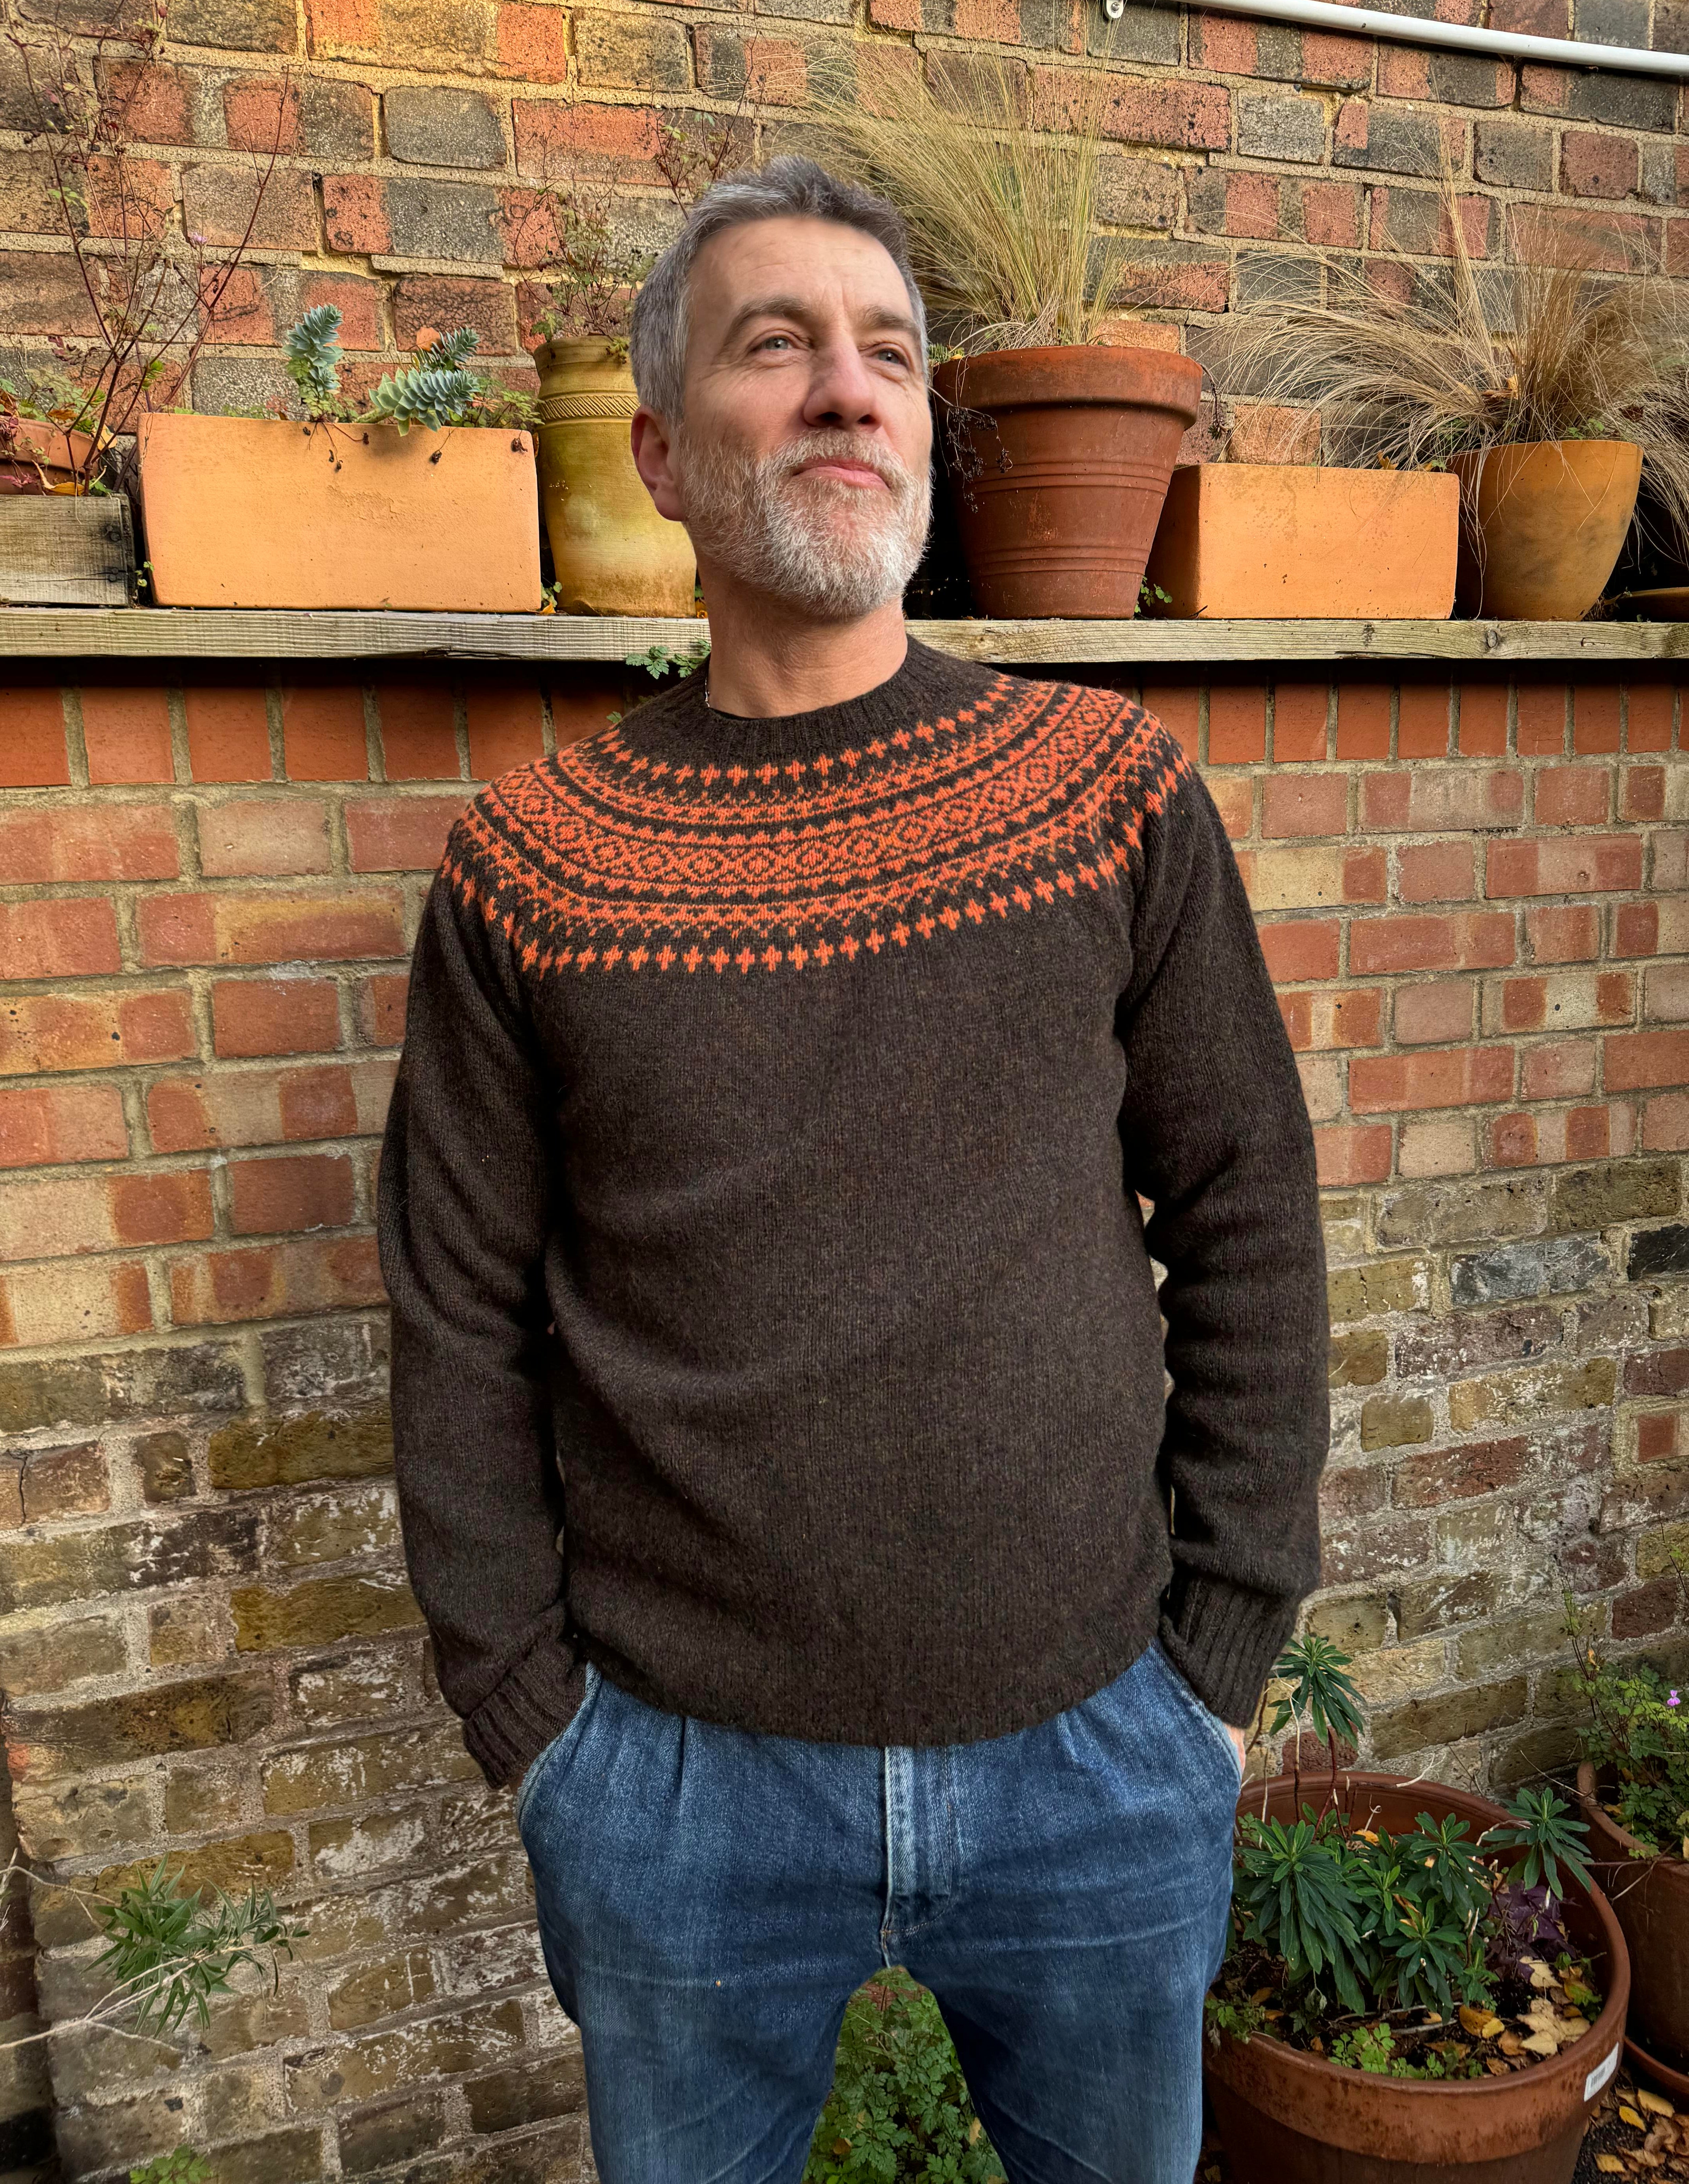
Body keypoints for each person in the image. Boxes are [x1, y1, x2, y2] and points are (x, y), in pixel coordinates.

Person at [378, 155, 1329, 2184]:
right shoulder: (531, 871)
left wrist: (1220, 1652)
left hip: (1101, 1749)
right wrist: (535, 1727)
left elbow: (1247, 1203)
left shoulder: (1110, 798)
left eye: (886, 352)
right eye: (777, 345)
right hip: (674, 1795)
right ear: (655, 442)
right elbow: (456, 1310)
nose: (847, 389)